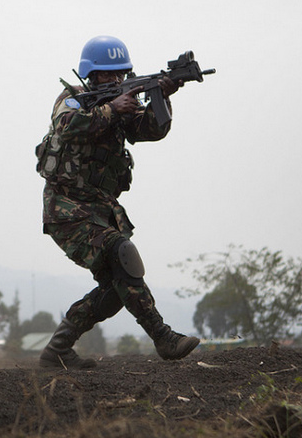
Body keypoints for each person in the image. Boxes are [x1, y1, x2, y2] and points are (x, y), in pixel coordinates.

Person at [35, 35, 200, 369]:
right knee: (120, 251)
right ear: (92, 75)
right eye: (106, 75)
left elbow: (151, 130)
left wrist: (162, 96)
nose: (114, 80)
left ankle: (57, 350)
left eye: (119, 74)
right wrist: (111, 108)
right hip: (66, 208)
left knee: (115, 288)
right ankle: (163, 337)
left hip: (99, 209)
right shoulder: (73, 99)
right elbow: (66, 127)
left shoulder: (123, 104)